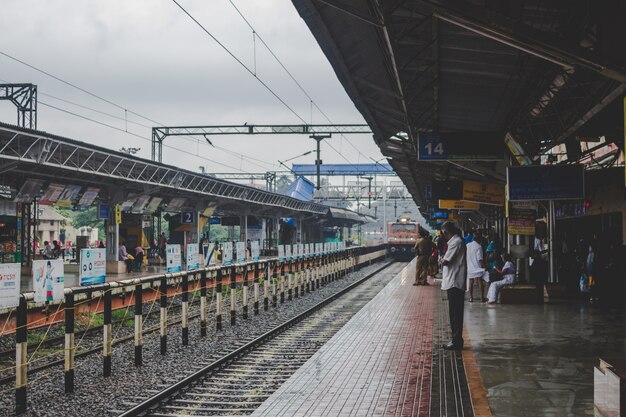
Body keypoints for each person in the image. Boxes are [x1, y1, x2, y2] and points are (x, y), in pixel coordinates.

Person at [440, 221, 467, 350]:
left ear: (446, 232)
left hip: (455, 282)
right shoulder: (456, 242)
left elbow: (446, 261)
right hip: (453, 281)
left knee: (455, 313)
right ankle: (456, 340)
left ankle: (456, 341)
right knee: (454, 313)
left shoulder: (456, 242)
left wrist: (441, 259)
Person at [466, 231, 487, 302]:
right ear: (478, 240)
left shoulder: (468, 245)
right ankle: (481, 298)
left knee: (470, 282)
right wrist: (484, 266)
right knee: (480, 281)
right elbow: (480, 258)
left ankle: (471, 298)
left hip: (470, 266)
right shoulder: (479, 246)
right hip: (477, 267)